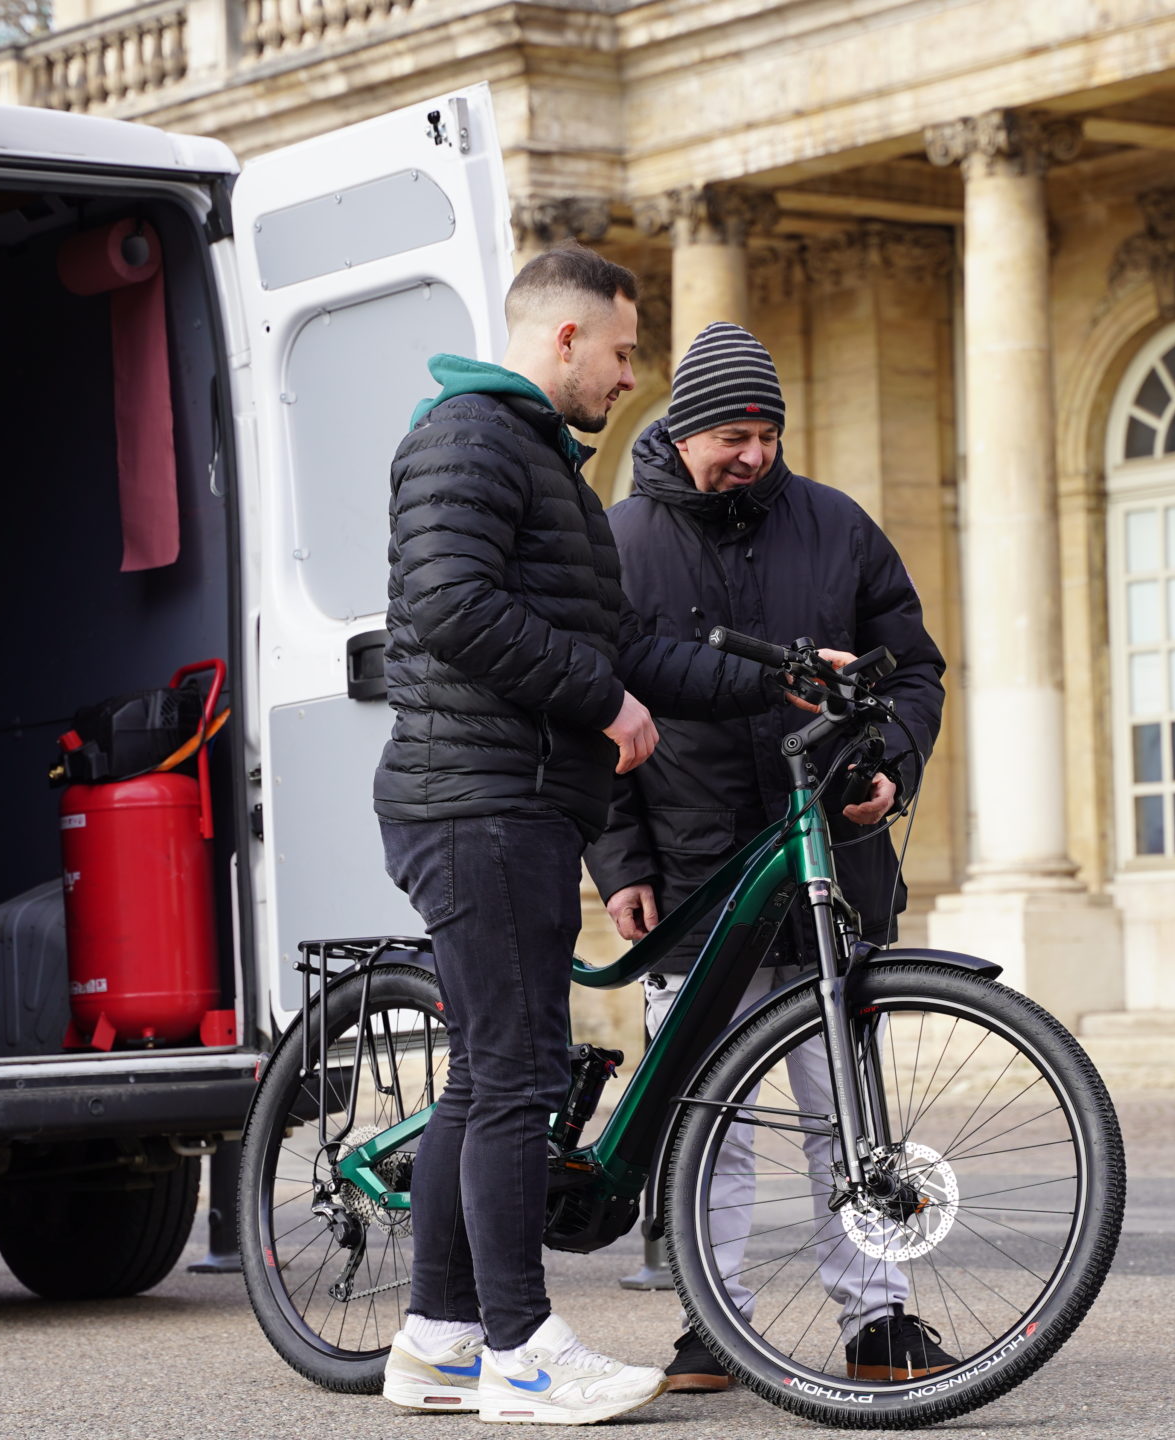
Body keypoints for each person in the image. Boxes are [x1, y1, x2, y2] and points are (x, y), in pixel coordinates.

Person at [373, 247, 784, 1425]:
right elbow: (450, 605)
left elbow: (621, 646)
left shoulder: (538, 459)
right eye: (618, 350)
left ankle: (438, 1342)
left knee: (484, 1080)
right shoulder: (469, 438)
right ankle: (522, 1354)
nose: (629, 375)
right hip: (479, 800)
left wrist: (778, 685)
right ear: (562, 340)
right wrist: (599, 704)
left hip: (513, 798)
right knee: (519, 1077)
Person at [584, 322, 953, 1390]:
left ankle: (878, 1322)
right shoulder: (622, 541)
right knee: (712, 1127)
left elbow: (912, 668)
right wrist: (623, 865)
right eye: (732, 433)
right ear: (686, 430)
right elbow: (600, 713)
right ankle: (712, 1327)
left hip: (830, 865)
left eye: (768, 431)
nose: (753, 451)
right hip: (695, 879)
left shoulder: (837, 526)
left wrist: (889, 757)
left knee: (848, 1116)